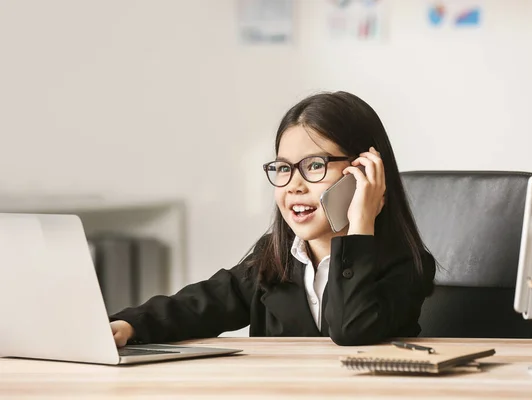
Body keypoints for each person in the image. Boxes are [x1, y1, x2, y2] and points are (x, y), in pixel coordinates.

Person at [110, 91, 436, 347]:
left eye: (315, 166)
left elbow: (353, 331)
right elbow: (198, 306)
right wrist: (129, 324)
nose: (294, 185)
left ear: (364, 171)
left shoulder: (405, 265)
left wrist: (361, 226)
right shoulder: (274, 257)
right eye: (283, 168)